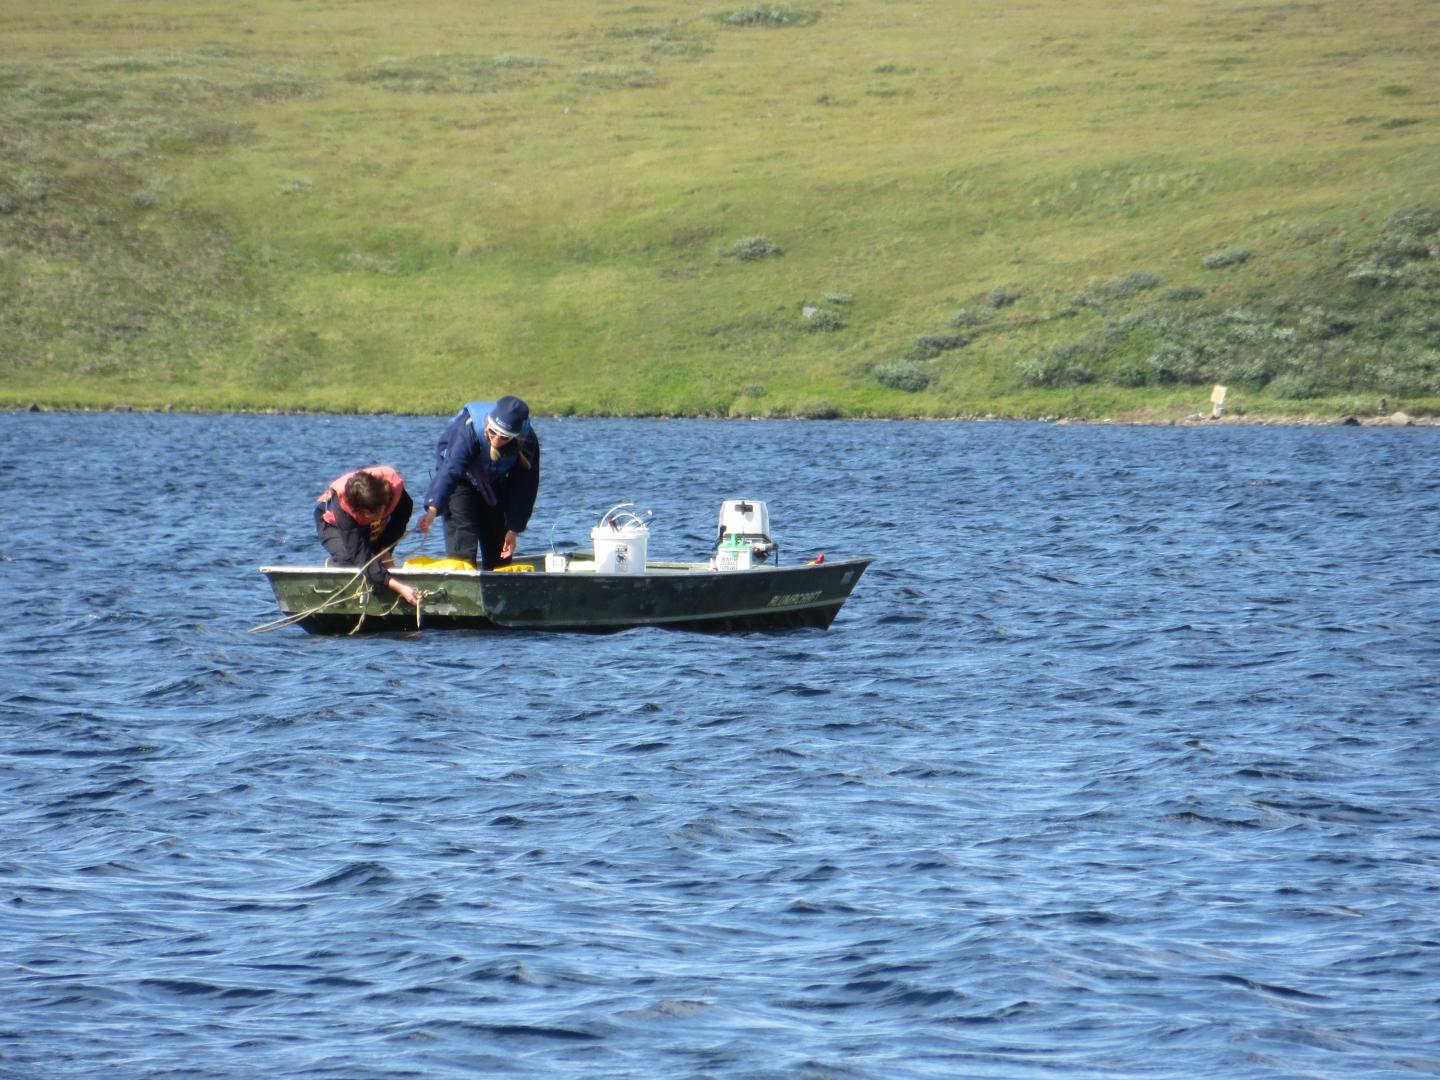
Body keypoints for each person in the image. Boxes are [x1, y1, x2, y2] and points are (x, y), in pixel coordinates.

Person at [418, 396, 540, 570]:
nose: (496, 440)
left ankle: (498, 584)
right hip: (460, 480)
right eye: (493, 432)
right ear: (488, 423)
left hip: (494, 481)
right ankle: (461, 582)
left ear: (515, 437)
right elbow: (450, 471)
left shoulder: (527, 440)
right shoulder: (469, 430)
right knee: (463, 539)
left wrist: (514, 528)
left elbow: (525, 488)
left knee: (500, 550)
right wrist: (432, 509)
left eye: (504, 437)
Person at [314, 465, 420, 606]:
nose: (379, 516)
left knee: (377, 556)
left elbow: (401, 518)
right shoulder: (343, 510)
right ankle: (336, 564)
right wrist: (399, 587)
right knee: (350, 559)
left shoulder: (395, 491)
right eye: (372, 514)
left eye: (380, 511)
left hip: (368, 520)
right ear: (359, 511)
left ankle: (379, 569)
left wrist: (385, 550)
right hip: (331, 525)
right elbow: (361, 556)